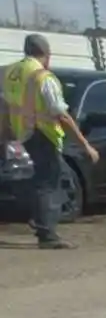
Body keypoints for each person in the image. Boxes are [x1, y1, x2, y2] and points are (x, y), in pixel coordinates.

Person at [2, 34, 98, 249]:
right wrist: (85, 145)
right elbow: (61, 114)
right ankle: (47, 235)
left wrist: (6, 132)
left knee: (41, 180)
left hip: (23, 132)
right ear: (46, 54)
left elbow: (6, 105)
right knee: (49, 182)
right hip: (43, 134)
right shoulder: (43, 78)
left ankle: (38, 216)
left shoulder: (11, 72)